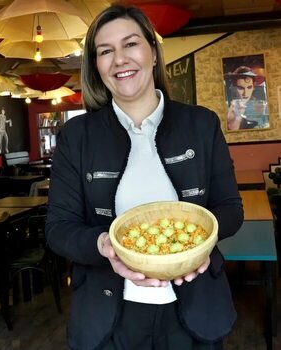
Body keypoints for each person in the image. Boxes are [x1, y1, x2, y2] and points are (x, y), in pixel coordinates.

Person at [45, 5, 244, 350]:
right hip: (107, 318)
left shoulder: (201, 124)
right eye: (105, 51)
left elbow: (230, 210)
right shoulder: (76, 136)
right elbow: (59, 229)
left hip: (197, 311)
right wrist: (105, 245)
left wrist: (198, 248)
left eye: (131, 44)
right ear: (97, 66)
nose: (119, 59)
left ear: (153, 52)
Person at [226, 66, 268, 131]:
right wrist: (238, 115)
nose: (245, 93)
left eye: (249, 87)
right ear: (234, 87)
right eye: (241, 88)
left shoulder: (261, 104)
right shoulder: (230, 108)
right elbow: (232, 130)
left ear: (254, 87)